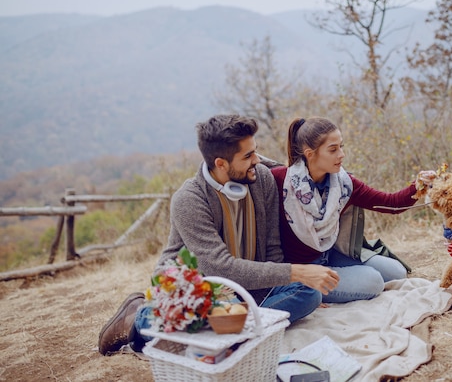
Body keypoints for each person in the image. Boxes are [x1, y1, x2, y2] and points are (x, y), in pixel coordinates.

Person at [98, 114, 339, 355]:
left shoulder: (262, 179)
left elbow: (273, 250)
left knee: (308, 294)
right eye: (247, 156)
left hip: (246, 290)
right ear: (221, 163)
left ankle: (236, 327)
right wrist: (297, 271)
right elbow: (219, 268)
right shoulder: (189, 199)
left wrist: (290, 284)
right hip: (200, 290)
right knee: (223, 323)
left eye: (255, 151)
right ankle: (137, 317)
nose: (257, 160)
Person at [271, 117, 433, 304]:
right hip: (303, 271)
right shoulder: (279, 181)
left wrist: (418, 184)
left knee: (397, 271)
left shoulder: (344, 184)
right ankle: (311, 292)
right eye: (333, 149)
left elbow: (391, 203)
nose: (341, 154)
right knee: (373, 282)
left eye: (341, 146)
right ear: (310, 153)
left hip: (329, 255)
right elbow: (252, 172)